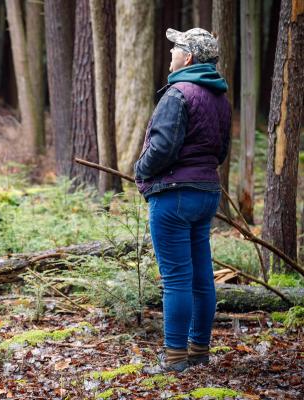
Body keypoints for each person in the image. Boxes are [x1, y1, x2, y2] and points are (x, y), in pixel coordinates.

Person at [134, 28, 231, 373]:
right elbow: (220, 152)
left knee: (176, 279)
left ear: (188, 57)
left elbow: (162, 147)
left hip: (173, 196)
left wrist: (141, 171)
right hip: (206, 195)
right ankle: (199, 350)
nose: (171, 52)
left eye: (176, 47)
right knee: (202, 278)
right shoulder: (219, 97)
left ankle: (174, 358)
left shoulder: (178, 94)